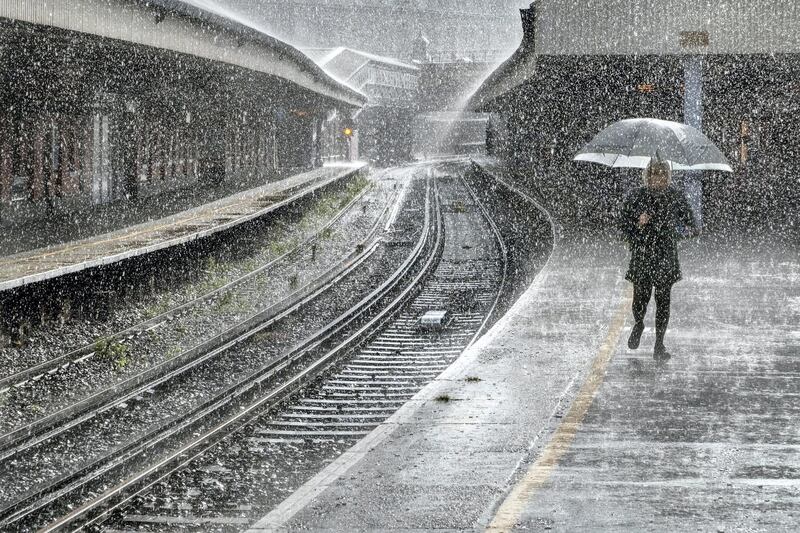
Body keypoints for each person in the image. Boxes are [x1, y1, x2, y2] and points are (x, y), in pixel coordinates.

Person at [619, 157, 696, 360]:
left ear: (668, 177)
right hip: (643, 255)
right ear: (647, 176)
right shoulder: (636, 197)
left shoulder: (675, 197)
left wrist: (673, 233)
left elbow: (693, 227)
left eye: (663, 175)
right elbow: (622, 227)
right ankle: (639, 323)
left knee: (663, 302)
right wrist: (638, 223)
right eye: (654, 174)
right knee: (640, 298)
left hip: (665, 256)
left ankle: (659, 345)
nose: (658, 179)